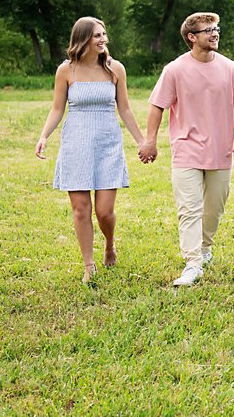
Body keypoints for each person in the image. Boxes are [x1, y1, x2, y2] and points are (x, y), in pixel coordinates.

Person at [137, 12, 234, 287]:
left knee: (214, 207)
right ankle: (192, 263)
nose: (215, 33)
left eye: (216, 28)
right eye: (208, 30)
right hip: (186, 149)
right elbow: (157, 106)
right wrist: (150, 140)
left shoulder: (231, 68)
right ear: (192, 37)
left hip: (220, 150)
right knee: (190, 208)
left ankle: (205, 248)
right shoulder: (175, 69)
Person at [35, 17, 145, 285]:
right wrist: (44, 135)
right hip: (76, 143)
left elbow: (125, 109)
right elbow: (57, 108)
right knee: (81, 209)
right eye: (97, 35)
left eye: (104, 34)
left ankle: (109, 243)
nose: (103, 39)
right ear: (83, 38)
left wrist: (142, 141)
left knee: (104, 211)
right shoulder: (66, 71)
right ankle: (89, 265)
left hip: (107, 143)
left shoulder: (114, 69)